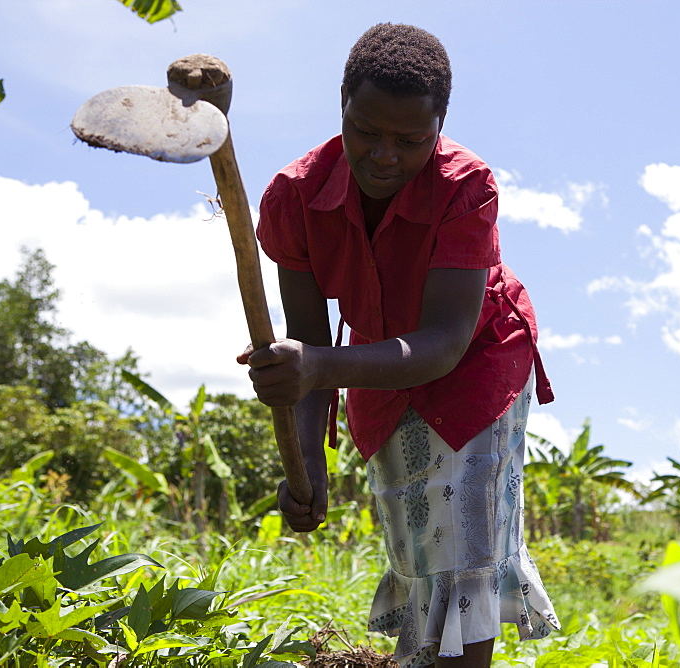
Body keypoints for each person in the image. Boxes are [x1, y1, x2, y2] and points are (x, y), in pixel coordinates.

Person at [239, 23, 559, 667]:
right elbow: (307, 339)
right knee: (418, 542)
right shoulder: (296, 195)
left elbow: (443, 341)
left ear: (439, 125)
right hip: (376, 363)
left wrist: (317, 366)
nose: (385, 155)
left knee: (463, 555)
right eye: (367, 132)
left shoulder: (466, 186)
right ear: (341, 108)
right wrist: (307, 462)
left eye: (411, 140)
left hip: (475, 363)